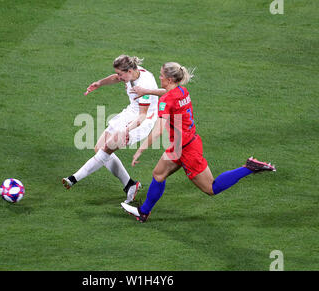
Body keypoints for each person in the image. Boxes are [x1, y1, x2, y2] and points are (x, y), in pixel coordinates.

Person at [121, 62, 276, 222]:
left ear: (168, 79)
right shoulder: (182, 91)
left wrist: (140, 149)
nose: (159, 77)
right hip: (182, 144)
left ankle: (249, 167)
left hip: (187, 150)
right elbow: (167, 94)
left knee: (211, 188)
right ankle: (144, 212)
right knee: (158, 174)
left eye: (161, 75)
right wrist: (147, 91)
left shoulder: (166, 100)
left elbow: (159, 129)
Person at [62, 55, 159, 203]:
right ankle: (130, 185)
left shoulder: (145, 84)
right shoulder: (132, 73)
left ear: (130, 71)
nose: (119, 77)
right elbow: (115, 77)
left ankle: (74, 178)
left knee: (106, 149)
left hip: (143, 120)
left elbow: (143, 115)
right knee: (99, 148)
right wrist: (99, 83)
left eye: (121, 74)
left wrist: (127, 130)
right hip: (131, 112)